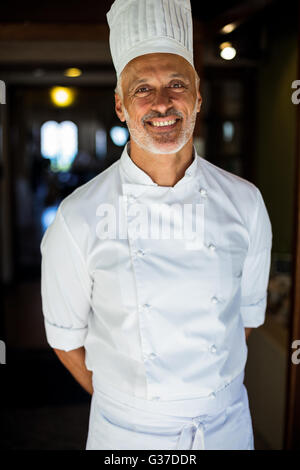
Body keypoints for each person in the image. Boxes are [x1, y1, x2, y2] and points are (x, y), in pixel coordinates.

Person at [40, 0, 272, 450]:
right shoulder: (79, 215)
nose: (162, 102)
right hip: (126, 436)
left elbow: (243, 318)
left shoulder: (245, 202)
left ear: (198, 98)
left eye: (177, 84)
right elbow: (66, 341)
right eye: (142, 88)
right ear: (121, 106)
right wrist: (133, 408)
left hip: (225, 427)